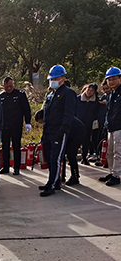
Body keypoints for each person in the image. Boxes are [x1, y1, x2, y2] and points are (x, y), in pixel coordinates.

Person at [39, 65, 76, 196]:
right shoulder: (51, 94)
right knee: (49, 157)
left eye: (56, 78)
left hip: (59, 132)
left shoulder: (68, 93)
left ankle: (53, 184)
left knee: (56, 158)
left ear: (63, 78)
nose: (53, 80)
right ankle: (52, 180)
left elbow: (68, 114)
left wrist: (62, 131)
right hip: (48, 131)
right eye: (52, 78)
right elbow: (46, 115)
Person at [36, 109, 85, 185]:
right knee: (60, 153)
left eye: (41, 122)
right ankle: (62, 175)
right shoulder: (50, 119)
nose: (42, 123)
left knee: (71, 154)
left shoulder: (55, 118)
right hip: (68, 133)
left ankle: (75, 176)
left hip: (77, 132)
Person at [0, 77, 32, 175]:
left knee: (16, 146)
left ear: (13, 84)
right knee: (5, 147)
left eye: (10, 85)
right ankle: (5, 167)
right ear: (3, 86)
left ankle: (16, 167)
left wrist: (28, 122)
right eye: (6, 86)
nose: (9, 88)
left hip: (16, 125)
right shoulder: (1, 96)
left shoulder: (20, 95)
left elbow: (26, 109)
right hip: (4, 126)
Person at [99, 67, 121, 186]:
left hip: (119, 126)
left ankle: (116, 175)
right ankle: (112, 172)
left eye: (114, 79)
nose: (111, 82)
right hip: (111, 126)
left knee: (118, 152)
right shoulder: (111, 93)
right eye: (109, 79)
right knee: (110, 152)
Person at [75, 84, 100, 165]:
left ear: (94, 92)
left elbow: (96, 112)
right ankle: (73, 157)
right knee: (75, 141)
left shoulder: (95, 101)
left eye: (92, 90)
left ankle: (84, 157)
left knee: (86, 142)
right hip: (77, 123)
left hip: (88, 124)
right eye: (88, 89)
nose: (89, 92)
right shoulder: (78, 99)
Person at [95, 80, 112, 167]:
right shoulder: (104, 97)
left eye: (107, 88)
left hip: (114, 124)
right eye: (104, 89)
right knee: (104, 143)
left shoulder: (113, 96)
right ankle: (103, 159)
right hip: (105, 123)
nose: (106, 90)